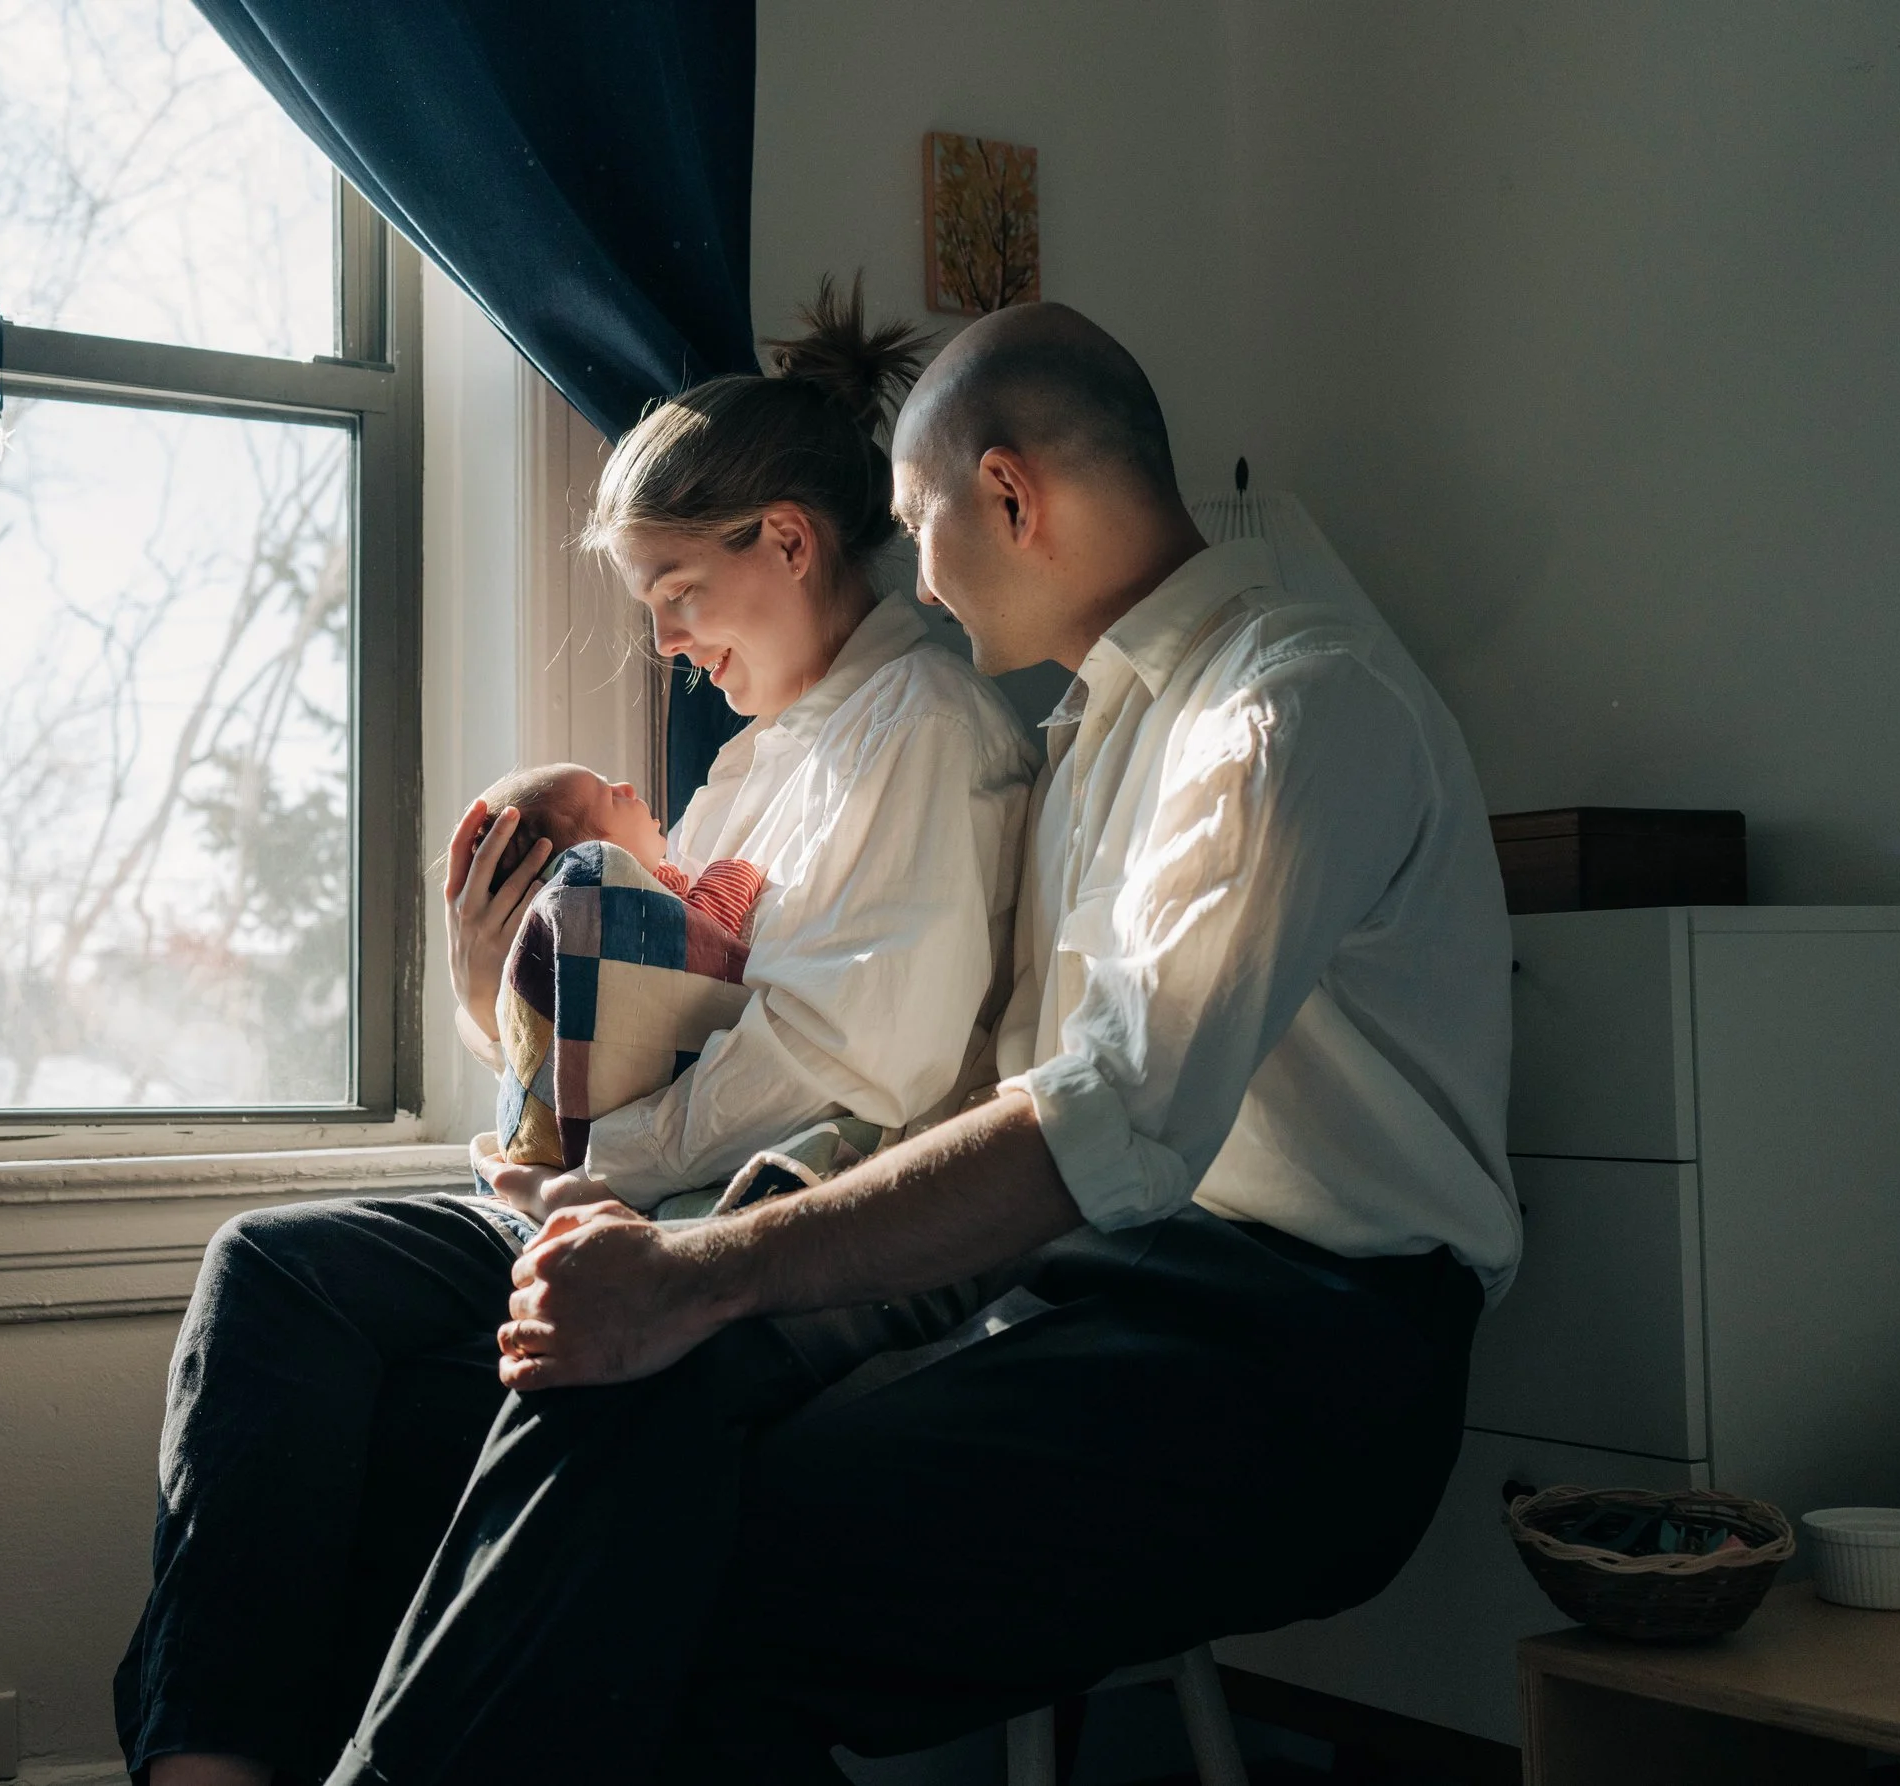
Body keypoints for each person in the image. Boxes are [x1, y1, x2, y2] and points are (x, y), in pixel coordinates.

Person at [318, 301, 1524, 1786]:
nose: (915, 572)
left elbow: (1105, 1115)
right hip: (1098, 1282)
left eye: (911, 520)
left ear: (1008, 496)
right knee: (654, 1470)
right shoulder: (1096, 731)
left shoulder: (1285, 707)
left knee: (690, 1570)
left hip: (1307, 1352)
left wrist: (703, 1267)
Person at [113, 282, 1040, 1786]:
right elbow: (652, 1030)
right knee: (273, 1273)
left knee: (416, 1410)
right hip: (636, 1186)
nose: (666, 645)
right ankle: (205, 1767)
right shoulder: (750, 768)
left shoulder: (926, 732)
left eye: (677, 594)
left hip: (764, 1214)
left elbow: (851, 1064)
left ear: (787, 541)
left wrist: (580, 1165)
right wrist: (502, 1003)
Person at [466, 761, 765, 940]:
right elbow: (705, 933)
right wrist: (731, 874)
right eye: (611, 798)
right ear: (595, 859)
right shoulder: (634, 914)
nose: (627, 788)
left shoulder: (659, 880)